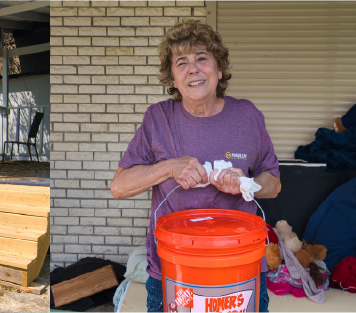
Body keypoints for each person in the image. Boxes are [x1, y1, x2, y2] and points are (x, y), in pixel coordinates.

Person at [109, 20, 281, 313]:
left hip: (239, 270)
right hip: (173, 271)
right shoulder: (158, 118)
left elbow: (274, 185)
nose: (193, 69)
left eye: (202, 58)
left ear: (219, 69)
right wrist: (168, 168)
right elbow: (119, 186)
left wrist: (246, 183)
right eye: (181, 63)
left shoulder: (248, 116)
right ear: (173, 79)